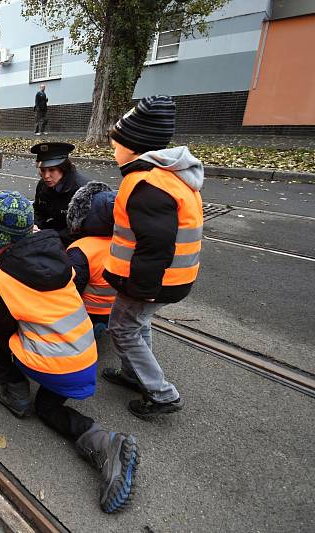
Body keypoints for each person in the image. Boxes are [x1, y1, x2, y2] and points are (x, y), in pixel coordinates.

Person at [0, 191, 139, 514]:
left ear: (2, 240)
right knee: (47, 408)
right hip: (84, 357)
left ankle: (13, 391)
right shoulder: (62, 256)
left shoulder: (4, 278)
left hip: (54, 364)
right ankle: (104, 442)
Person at [103, 95, 204, 419]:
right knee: (136, 323)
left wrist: (142, 287)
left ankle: (161, 394)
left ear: (135, 145)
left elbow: (155, 245)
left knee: (121, 327)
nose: (113, 149)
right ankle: (135, 376)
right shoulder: (165, 176)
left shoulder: (146, 184)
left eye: (117, 144)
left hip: (152, 281)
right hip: (168, 277)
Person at [65, 182, 118, 339]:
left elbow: (71, 290)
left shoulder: (81, 250)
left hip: (90, 311)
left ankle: (91, 330)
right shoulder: (125, 244)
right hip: (118, 309)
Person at [32, 142, 91, 244]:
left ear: (63, 168)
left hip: (75, 241)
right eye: (42, 170)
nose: (46, 176)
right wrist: (35, 224)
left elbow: (79, 229)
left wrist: (48, 236)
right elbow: (38, 210)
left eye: (52, 170)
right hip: (49, 234)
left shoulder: (81, 190)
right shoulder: (43, 184)